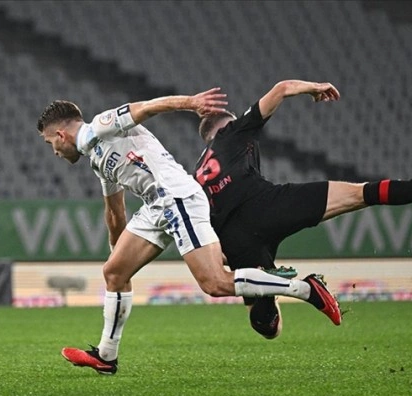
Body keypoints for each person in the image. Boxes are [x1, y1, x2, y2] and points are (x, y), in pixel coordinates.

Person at [36, 88, 342, 375]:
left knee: (215, 283)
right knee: (114, 272)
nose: (55, 152)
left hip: (176, 196)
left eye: (51, 144)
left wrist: (191, 102)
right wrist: (119, 251)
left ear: (61, 134)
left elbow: (146, 107)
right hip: (156, 206)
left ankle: (306, 289)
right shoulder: (97, 157)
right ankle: (106, 355)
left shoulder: (98, 127)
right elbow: (115, 211)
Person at [194, 79, 412, 339]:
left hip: (234, 240)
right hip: (267, 205)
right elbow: (281, 89)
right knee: (363, 193)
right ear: (226, 123)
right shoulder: (234, 131)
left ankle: (273, 287)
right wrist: (313, 88)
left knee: (270, 327)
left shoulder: (194, 175)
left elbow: (200, 225)